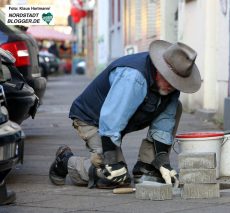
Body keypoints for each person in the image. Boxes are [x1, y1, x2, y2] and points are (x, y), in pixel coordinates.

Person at [48, 40, 201, 189]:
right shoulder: (133, 76)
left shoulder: (172, 87)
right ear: (159, 68)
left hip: (119, 122)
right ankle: (65, 161)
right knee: (114, 177)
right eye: (169, 79)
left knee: (176, 107)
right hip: (92, 119)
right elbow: (111, 119)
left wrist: (162, 160)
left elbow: (165, 122)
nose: (172, 85)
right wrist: (111, 161)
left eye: (176, 82)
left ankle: (146, 167)